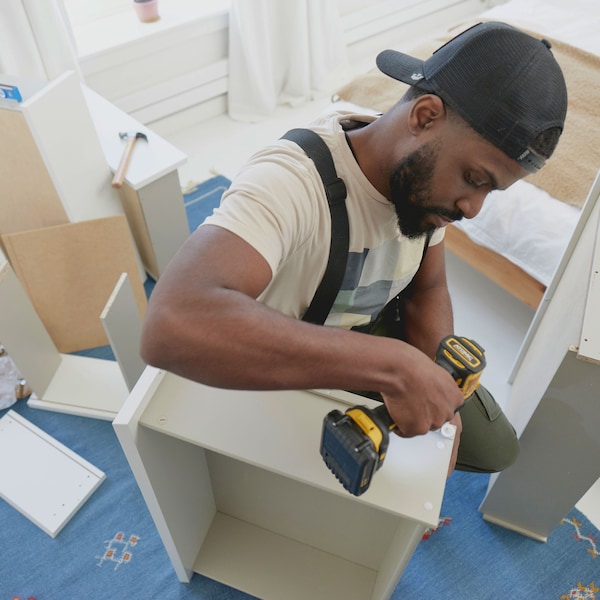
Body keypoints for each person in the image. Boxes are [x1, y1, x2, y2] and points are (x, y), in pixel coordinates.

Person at [140, 22, 567, 474]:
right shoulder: (292, 181)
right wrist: (393, 366)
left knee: (496, 449)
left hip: (363, 326)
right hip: (282, 347)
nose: (473, 208)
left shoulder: (424, 185)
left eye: (491, 191)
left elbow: (427, 289)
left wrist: (440, 392)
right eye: (475, 179)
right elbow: (171, 323)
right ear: (424, 117)